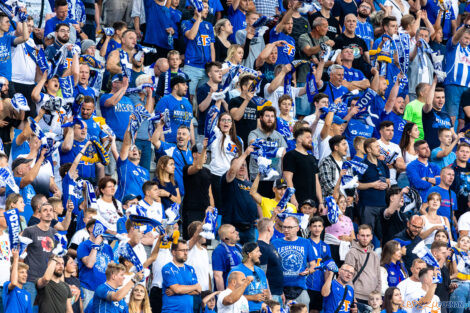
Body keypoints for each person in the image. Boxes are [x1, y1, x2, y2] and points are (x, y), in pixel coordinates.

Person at [272, 216, 316, 305]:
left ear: (297, 228)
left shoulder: (305, 242)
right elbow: (271, 267)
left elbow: (313, 265)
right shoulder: (275, 243)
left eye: (289, 227)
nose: (286, 230)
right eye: (284, 227)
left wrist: (308, 271)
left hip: (300, 287)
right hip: (280, 289)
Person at [21, 202, 57, 306]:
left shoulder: (54, 233)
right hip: (30, 279)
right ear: (39, 214)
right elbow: (21, 254)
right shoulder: (29, 231)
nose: (48, 213)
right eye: (45, 210)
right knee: (27, 310)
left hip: (48, 280)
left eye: (51, 210)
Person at [221, 145, 258, 243]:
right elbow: (232, 171)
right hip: (232, 228)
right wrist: (245, 154)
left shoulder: (250, 184)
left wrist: (260, 219)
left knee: (250, 257)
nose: (242, 166)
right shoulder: (228, 180)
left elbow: (257, 202)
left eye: (244, 165)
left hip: (250, 229)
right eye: (239, 164)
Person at [248, 106, 287, 197]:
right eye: (267, 116)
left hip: (275, 178)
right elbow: (253, 143)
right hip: (258, 177)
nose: (270, 119)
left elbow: (284, 156)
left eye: (272, 116)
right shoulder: (254, 133)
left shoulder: (278, 136)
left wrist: (283, 176)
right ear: (261, 118)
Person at [77, 218, 114, 308]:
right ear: (90, 229)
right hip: (88, 288)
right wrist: (96, 245)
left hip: (104, 290)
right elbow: (89, 264)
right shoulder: (84, 245)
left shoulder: (107, 248)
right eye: (97, 226)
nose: (101, 229)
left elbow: (112, 269)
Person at [283, 127, 323, 209]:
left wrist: (320, 202)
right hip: (298, 202)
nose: (310, 140)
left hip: (312, 203)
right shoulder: (290, 155)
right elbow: (288, 179)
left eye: (311, 137)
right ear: (299, 139)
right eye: (307, 137)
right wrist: (292, 198)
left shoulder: (312, 158)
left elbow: (316, 182)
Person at [181, 0, 215, 99]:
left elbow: (211, 47)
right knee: (189, 96)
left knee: (204, 97)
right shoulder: (186, 22)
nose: (207, 10)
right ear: (197, 9)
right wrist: (199, 18)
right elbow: (191, 36)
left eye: (208, 8)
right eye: (204, 8)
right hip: (192, 66)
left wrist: (212, 66)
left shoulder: (209, 25)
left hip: (206, 68)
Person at [358, 138, 390, 240]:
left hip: (382, 205)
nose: (379, 148)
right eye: (376, 146)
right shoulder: (362, 165)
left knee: (383, 236)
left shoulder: (383, 164)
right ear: (369, 149)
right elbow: (356, 184)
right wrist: (372, 185)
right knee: (366, 237)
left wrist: (386, 185)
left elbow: (388, 181)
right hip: (368, 206)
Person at [344, 225, 382, 310]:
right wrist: (352, 297)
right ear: (357, 236)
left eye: (368, 235)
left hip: (372, 299)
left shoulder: (374, 255)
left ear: (371, 237)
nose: (365, 238)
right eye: (362, 235)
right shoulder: (352, 253)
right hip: (357, 297)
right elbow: (347, 277)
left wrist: (377, 296)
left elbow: (378, 278)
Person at [114, 117, 150, 201]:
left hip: (140, 206)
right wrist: (131, 124)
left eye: (136, 148)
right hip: (125, 203)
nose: (134, 150)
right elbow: (126, 143)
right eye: (131, 149)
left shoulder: (146, 172)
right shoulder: (124, 164)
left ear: (140, 155)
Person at [443, 15, 470, 126]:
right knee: (452, 116)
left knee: (462, 119)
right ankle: (449, 140)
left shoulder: (469, 51)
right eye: (465, 38)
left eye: (469, 38)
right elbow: (455, 37)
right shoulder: (453, 46)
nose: (467, 40)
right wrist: (465, 26)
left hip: (467, 88)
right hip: (453, 85)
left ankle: (460, 142)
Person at [161, 240, 201, 313]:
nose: (185, 253)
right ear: (173, 252)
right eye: (182, 250)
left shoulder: (190, 269)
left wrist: (177, 291)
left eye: (187, 250)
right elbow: (177, 289)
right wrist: (194, 286)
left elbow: (198, 291)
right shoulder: (167, 268)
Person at [155, 75, 195, 145]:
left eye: (186, 84)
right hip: (169, 143)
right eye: (183, 84)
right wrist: (164, 145)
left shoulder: (187, 103)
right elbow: (158, 124)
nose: (186, 87)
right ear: (176, 87)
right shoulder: (165, 101)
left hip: (185, 145)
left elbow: (190, 124)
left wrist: (193, 144)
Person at [229, 242, 269, 312]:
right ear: (250, 254)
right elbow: (230, 296)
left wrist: (265, 299)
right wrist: (252, 297)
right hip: (244, 310)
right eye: (257, 251)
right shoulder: (236, 271)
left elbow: (265, 291)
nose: (260, 254)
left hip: (260, 310)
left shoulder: (260, 271)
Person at [307, 216, 333, 313]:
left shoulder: (326, 246)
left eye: (319, 226)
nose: (317, 229)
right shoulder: (305, 243)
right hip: (306, 286)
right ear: (310, 228)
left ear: (323, 228)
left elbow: (328, 267)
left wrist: (327, 284)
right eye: (314, 226)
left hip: (320, 286)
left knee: (315, 311)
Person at [422, 78, 454, 151]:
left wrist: (460, 139)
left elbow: (452, 134)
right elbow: (428, 103)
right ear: (432, 98)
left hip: (445, 153)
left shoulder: (447, 115)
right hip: (431, 151)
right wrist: (434, 82)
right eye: (438, 98)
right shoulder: (428, 112)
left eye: (443, 97)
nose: (441, 100)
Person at [257, 218, 283, 304]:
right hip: (271, 294)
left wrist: (281, 292)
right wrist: (268, 294)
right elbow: (262, 273)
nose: (273, 229)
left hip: (277, 293)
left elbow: (276, 268)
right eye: (273, 227)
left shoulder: (269, 244)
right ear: (269, 228)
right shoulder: (261, 247)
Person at [228, 75, 258, 148]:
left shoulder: (256, 103)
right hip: (237, 140)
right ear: (244, 87)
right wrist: (247, 100)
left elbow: (258, 125)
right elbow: (236, 117)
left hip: (252, 142)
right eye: (252, 85)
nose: (254, 88)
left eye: (255, 86)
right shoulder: (234, 101)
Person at [212, 224, 243, 291]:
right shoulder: (219, 251)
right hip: (229, 292)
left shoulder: (239, 247)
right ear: (226, 238)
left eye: (236, 231)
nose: (237, 233)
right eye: (233, 232)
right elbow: (218, 276)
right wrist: (223, 296)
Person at [3, 249, 33, 313]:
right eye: (22, 272)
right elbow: (13, 283)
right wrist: (16, 259)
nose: (25, 275)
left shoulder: (27, 294)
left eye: (26, 273)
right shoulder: (7, 285)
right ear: (14, 273)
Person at [378, 121, 406, 186]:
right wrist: (393, 164)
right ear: (381, 131)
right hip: (379, 182)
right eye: (388, 130)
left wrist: (393, 163)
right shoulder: (376, 144)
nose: (391, 133)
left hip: (393, 182)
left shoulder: (396, 147)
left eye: (392, 130)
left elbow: (401, 165)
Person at [450, 142, 470, 219]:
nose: (465, 154)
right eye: (462, 151)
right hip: (457, 208)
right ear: (456, 153)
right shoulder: (451, 169)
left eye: (467, 152)